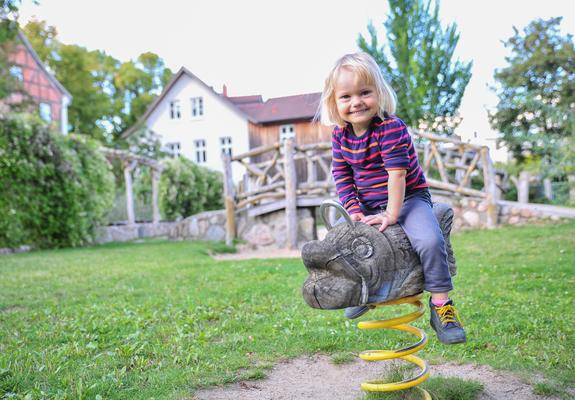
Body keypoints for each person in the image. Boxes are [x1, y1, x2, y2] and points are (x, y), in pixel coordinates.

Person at [316, 52, 466, 344]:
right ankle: (362, 290)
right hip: (368, 203)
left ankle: (442, 306)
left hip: (408, 199)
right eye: (346, 96)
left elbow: (396, 176)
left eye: (364, 93)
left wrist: (391, 216)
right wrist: (353, 210)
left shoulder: (390, 128)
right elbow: (343, 176)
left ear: (379, 93)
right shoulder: (339, 136)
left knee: (429, 241)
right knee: (340, 236)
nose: (356, 102)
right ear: (334, 102)